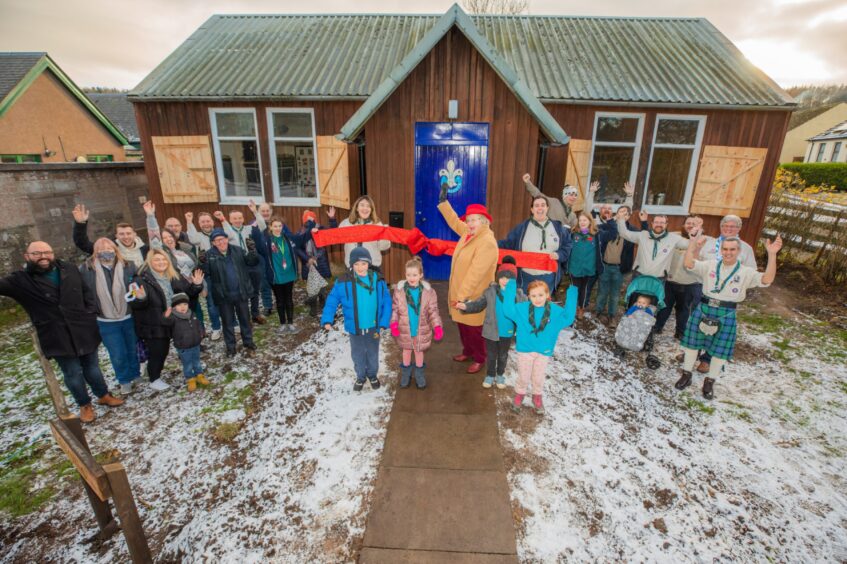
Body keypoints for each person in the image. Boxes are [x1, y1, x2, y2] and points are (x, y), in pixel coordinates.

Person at [0, 242, 123, 422]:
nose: (43, 256)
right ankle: (84, 405)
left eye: (47, 252)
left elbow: (85, 291)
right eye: (37, 253)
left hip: (82, 328)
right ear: (27, 256)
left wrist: (90, 312)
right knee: (72, 372)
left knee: (93, 367)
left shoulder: (69, 268)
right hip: (56, 334)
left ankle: (103, 395)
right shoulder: (20, 280)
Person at [676, 235, 783, 400]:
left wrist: (772, 255)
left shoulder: (746, 272)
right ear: (721, 250)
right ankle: (686, 374)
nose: (728, 252)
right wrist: (692, 244)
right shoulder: (710, 265)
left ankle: (710, 381)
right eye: (725, 249)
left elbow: (767, 279)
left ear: (738, 251)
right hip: (704, 308)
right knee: (691, 345)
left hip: (726, 313)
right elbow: (689, 264)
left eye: (732, 249)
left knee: (719, 352)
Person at [438, 184, 499, 374]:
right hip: (460, 292)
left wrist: (462, 296)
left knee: (474, 330)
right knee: (463, 326)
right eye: (469, 220)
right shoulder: (469, 233)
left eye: (475, 220)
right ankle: (467, 351)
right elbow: (455, 221)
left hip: (473, 295)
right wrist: (443, 203)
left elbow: (476, 273)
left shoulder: (487, 242)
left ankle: (480, 358)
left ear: (484, 222)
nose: (471, 223)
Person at [130, 249, 204, 390]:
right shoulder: (140, 279)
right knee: (159, 351)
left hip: (175, 320)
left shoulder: (173, 275)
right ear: (149, 262)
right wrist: (140, 298)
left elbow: (188, 293)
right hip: (155, 322)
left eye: (163, 259)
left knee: (185, 345)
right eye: (157, 260)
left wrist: (197, 285)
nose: (161, 262)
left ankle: (193, 367)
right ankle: (154, 378)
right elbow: (135, 304)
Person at [501, 279, 578, 414]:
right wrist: (511, 287)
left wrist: (572, 293)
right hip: (525, 350)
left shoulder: (554, 311)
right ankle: (520, 394)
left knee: (538, 376)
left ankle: (537, 396)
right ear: (528, 296)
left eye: (541, 295)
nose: (537, 299)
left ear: (547, 295)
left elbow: (568, 317)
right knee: (523, 376)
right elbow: (508, 310)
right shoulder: (522, 309)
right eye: (533, 296)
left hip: (543, 350)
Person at [322, 247, 392, 391]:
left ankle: (372, 375)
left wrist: (384, 322)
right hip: (355, 327)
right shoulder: (343, 281)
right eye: (357, 264)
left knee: (372, 353)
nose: (360, 267)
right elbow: (332, 299)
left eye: (364, 264)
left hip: (374, 326)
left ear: (369, 263)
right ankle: (360, 376)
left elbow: (387, 301)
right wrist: (327, 319)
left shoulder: (378, 280)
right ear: (351, 265)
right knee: (358, 354)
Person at [78, 238, 141, 395]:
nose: (106, 251)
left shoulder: (129, 266)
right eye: (101, 248)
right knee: (117, 353)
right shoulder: (87, 269)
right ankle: (124, 379)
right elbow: (83, 292)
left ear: (115, 249)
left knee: (132, 349)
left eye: (109, 247)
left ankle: (135, 373)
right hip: (105, 320)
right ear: (95, 251)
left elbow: (137, 284)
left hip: (128, 316)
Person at [455, 257, 526, 389]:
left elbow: (527, 310)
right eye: (502, 277)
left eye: (509, 277)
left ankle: (500, 375)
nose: (505, 280)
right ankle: (490, 375)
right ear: (498, 277)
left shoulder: (519, 295)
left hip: (507, 332)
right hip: (490, 330)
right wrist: (466, 306)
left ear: (514, 280)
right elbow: (478, 304)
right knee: (492, 355)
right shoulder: (490, 292)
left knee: (503, 356)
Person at [499, 194, 572, 294]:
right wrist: (491, 245)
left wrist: (559, 254)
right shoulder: (522, 228)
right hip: (526, 276)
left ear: (547, 208)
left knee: (542, 306)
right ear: (532, 209)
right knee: (525, 305)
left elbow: (567, 245)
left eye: (543, 205)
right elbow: (507, 243)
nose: (540, 208)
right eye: (536, 205)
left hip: (548, 277)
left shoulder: (558, 228)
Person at [201, 229, 259, 356]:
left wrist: (252, 251)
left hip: (240, 292)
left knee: (245, 319)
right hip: (223, 296)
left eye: (223, 239)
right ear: (213, 243)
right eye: (217, 240)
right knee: (227, 323)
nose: (221, 242)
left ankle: (248, 342)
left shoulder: (237, 250)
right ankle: (231, 347)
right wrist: (202, 263)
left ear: (227, 239)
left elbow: (252, 261)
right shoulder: (209, 255)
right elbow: (205, 273)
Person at [390, 257, 443, 389]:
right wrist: (394, 323)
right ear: (405, 274)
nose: (411, 277)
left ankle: (419, 374)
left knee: (419, 351)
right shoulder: (399, 291)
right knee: (406, 351)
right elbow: (395, 309)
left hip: (421, 328)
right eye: (408, 274)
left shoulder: (429, 292)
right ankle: (406, 374)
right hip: (405, 328)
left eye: (414, 275)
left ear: (421, 275)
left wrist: (437, 326)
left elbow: (433, 311)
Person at [213, 207, 269, 324]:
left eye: (239, 218)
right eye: (234, 218)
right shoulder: (227, 231)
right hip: (238, 263)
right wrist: (223, 220)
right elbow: (232, 236)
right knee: (242, 291)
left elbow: (263, 225)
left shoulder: (249, 229)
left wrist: (255, 211)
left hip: (253, 262)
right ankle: (245, 317)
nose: (237, 220)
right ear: (230, 220)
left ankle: (255, 313)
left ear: (243, 219)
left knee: (255, 290)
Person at [655, 215, 705, 339]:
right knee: (664, 306)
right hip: (670, 280)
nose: (690, 226)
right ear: (683, 225)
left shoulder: (702, 241)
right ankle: (657, 327)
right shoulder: (673, 237)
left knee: (683, 309)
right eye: (688, 223)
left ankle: (680, 332)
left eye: (694, 224)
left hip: (689, 282)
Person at [594, 205, 643, 324]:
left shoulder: (633, 231)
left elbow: (644, 235)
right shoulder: (608, 227)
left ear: (629, 216)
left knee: (615, 294)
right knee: (602, 291)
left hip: (619, 268)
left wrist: (644, 222)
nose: (622, 215)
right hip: (605, 265)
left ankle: (612, 316)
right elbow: (596, 228)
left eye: (625, 213)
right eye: (620, 212)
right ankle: (598, 311)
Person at [568, 212, 615, 319]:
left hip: (589, 268)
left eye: (585, 220)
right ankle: (573, 308)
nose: (582, 222)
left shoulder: (597, 234)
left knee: (584, 289)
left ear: (590, 221)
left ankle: (581, 308)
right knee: (574, 288)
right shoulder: (572, 233)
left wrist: (610, 221)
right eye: (580, 220)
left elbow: (613, 233)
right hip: (574, 267)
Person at [615, 212, 691, 279]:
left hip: (659, 278)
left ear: (666, 224)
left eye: (662, 222)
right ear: (652, 223)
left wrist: (692, 231)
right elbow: (624, 233)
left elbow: (689, 245)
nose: (659, 224)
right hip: (639, 275)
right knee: (635, 296)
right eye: (656, 222)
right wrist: (621, 219)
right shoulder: (643, 235)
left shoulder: (673, 238)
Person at [185, 211, 223, 341]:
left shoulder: (219, 233)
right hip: (207, 275)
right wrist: (189, 222)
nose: (206, 224)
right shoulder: (198, 237)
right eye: (202, 221)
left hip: (222, 272)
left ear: (212, 222)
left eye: (208, 221)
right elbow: (193, 238)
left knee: (227, 300)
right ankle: (216, 327)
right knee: (211, 303)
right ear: (199, 224)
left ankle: (233, 323)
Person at [72, 203, 148, 268]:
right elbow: (83, 244)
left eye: (128, 233)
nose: (126, 237)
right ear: (116, 236)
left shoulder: (145, 249)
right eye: (121, 234)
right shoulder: (109, 248)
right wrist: (80, 224)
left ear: (135, 234)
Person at [295, 208, 338, 317]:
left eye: (311, 219)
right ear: (303, 221)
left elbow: (333, 233)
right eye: (307, 220)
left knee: (322, 287)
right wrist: (307, 258)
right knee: (312, 287)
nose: (309, 222)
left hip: (321, 262)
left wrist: (332, 219)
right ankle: (313, 306)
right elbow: (298, 249)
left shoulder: (321, 230)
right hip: (308, 264)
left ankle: (323, 304)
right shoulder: (300, 233)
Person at [163, 293, 208, 392]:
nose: (182, 307)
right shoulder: (173, 317)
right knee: (187, 363)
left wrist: (201, 332)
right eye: (179, 305)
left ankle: (199, 374)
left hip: (195, 343)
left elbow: (198, 324)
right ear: (174, 307)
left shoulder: (192, 314)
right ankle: (190, 378)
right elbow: (166, 324)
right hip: (183, 346)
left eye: (184, 304)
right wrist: (165, 317)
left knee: (196, 361)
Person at [338, 195, 391, 270]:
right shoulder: (346, 223)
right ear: (357, 208)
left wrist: (385, 235)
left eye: (368, 206)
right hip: (352, 265)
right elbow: (335, 237)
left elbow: (383, 247)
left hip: (372, 266)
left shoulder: (377, 224)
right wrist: (317, 233)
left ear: (371, 209)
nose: (365, 208)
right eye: (362, 205)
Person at [265, 217, 299, 333]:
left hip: (288, 273)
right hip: (276, 275)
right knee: (279, 300)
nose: (278, 228)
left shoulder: (288, 239)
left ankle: (290, 323)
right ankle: (282, 324)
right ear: (270, 227)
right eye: (275, 226)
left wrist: (312, 227)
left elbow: (301, 239)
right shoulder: (268, 241)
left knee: (289, 299)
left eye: (280, 226)